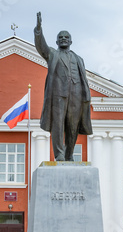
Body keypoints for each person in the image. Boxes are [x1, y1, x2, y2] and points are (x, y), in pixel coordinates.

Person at [34, 12, 93, 161]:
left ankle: (69, 154)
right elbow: (42, 48)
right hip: (58, 94)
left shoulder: (79, 59)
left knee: (73, 126)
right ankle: (59, 154)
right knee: (58, 125)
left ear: (71, 41)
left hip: (77, 94)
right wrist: (39, 30)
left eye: (66, 37)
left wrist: (85, 95)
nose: (63, 39)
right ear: (56, 41)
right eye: (60, 38)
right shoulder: (53, 54)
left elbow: (83, 78)